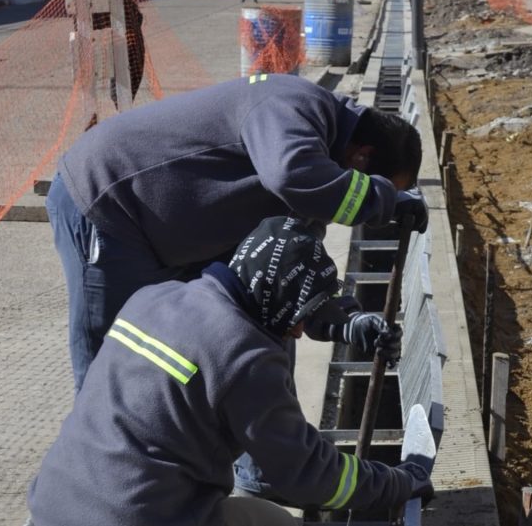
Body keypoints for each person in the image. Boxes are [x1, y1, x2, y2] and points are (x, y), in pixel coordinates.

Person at [27, 216, 433, 526]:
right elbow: (308, 475)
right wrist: (398, 481)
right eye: (298, 318)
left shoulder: (152, 299)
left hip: (51, 506)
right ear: (274, 302)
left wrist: (341, 321)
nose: (297, 331)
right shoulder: (247, 357)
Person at [46, 73, 427, 394]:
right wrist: (385, 202)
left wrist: (344, 321)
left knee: (266, 313)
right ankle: (104, 471)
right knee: (118, 359)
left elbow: (290, 272)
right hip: (111, 205)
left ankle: (262, 474)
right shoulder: (295, 105)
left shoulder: (319, 170)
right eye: (373, 186)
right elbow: (290, 174)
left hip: (176, 233)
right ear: (361, 157)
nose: (365, 204)